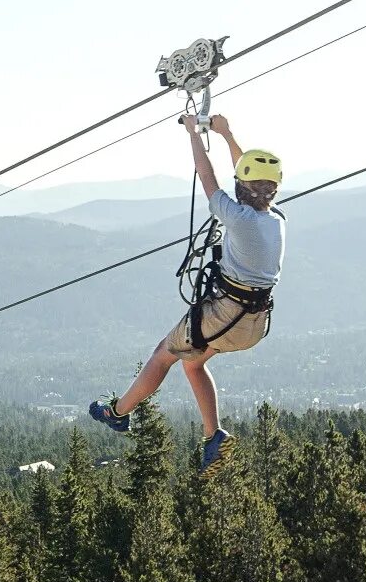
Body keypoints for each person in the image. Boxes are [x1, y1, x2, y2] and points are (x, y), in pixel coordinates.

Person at [90, 112, 284, 472]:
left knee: (163, 353)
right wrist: (227, 134)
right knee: (193, 364)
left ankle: (117, 413)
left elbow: (208, 177)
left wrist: (195, 134)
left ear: (241, 186)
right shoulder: (275, 220)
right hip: (254, 323)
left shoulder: (238, 217)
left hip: (224, 315)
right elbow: (249, 179)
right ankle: (214, 438)